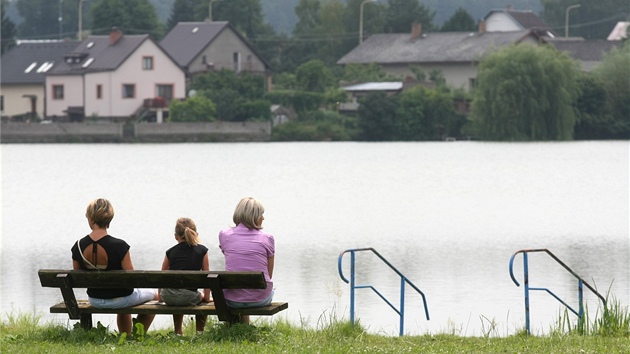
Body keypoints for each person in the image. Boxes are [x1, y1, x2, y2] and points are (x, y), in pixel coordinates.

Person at [71, 198, 158, 336]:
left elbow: (77, 276)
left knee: (125, 295)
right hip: (121, 300)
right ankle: (135, 336)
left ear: (91, 218)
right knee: (154, 295)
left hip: (94, 300)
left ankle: (127, 335)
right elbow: (131, 278)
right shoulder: (120, 246)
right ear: (109, 219)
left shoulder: (78, 246)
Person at [218, 197, 275, 324]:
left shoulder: (224, 235)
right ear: (254, 216)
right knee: (255, 288)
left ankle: (236, 328)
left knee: (238, 289)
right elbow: (268, 275)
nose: (263, 218)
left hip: (231, 300)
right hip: (260, 298)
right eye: (261, 214)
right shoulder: (268, 238)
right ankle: (244, 328)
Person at [159, 217, 211, 335]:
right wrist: (206, 297)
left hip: (168, 296)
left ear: (176, 236)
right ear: (195, 234)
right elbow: (206, 276)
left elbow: (161, 276)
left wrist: (161, 297)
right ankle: (200, 332)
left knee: (176, 292)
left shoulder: (170, 252)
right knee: (201, 298)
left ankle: (178, 331)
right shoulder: (202, 251)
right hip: (188, 296)